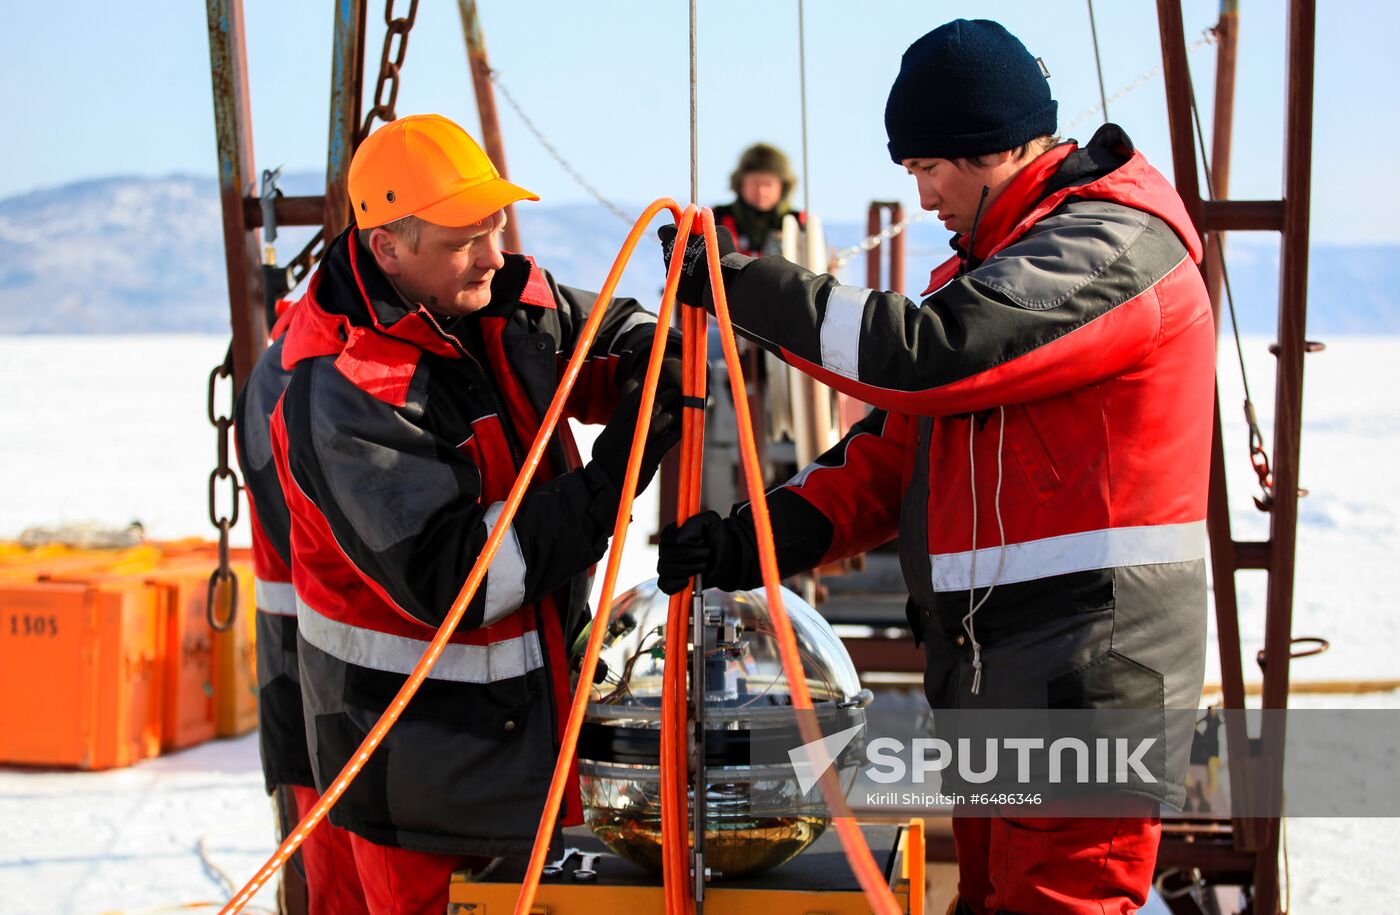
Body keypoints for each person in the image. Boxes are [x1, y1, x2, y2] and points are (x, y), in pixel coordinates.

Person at [657, 19, 1213, 915]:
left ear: (987, 148)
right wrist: (748, 541)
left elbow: (929, 355)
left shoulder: (1110, 245)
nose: (922, 200)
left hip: (1087, 678)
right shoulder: (1004, 269)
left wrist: (743, 286)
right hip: (1004, 673)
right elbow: (894, 456)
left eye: (926, 170)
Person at [269, 113, 683, 915]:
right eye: (465, 237)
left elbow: (597, 333)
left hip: (522, 739)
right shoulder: (351, 390)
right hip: (416, 774)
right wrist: (608, 481)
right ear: (388, 247)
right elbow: (461, 577)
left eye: (494, 226)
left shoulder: (490, 295)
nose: (494, 253)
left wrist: (651, 355)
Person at [236, 306, 372, 914]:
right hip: (324, 690)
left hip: (319, 686)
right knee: (346, 891)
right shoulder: (309, 371)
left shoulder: (294, 360)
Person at [713, 142, 805, 258]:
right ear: (741, 183)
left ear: (783, 186)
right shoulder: (717, 218)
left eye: (768, 184)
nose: (761, 191)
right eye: (755, 183)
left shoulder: (799, 222)